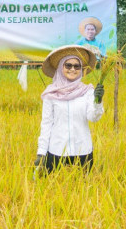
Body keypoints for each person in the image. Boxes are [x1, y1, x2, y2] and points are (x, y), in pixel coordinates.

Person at [34, 45, 105, 173]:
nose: (72, 69)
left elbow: (93, 117)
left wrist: (98, 101)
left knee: (84, 185)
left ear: (81, 69)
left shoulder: (88, 91)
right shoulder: (51, 93)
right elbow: (46, 124)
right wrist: (41, 152)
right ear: (61, 67)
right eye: (68, 65)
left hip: (82, 151)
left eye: (77, 66)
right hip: (56, 151)